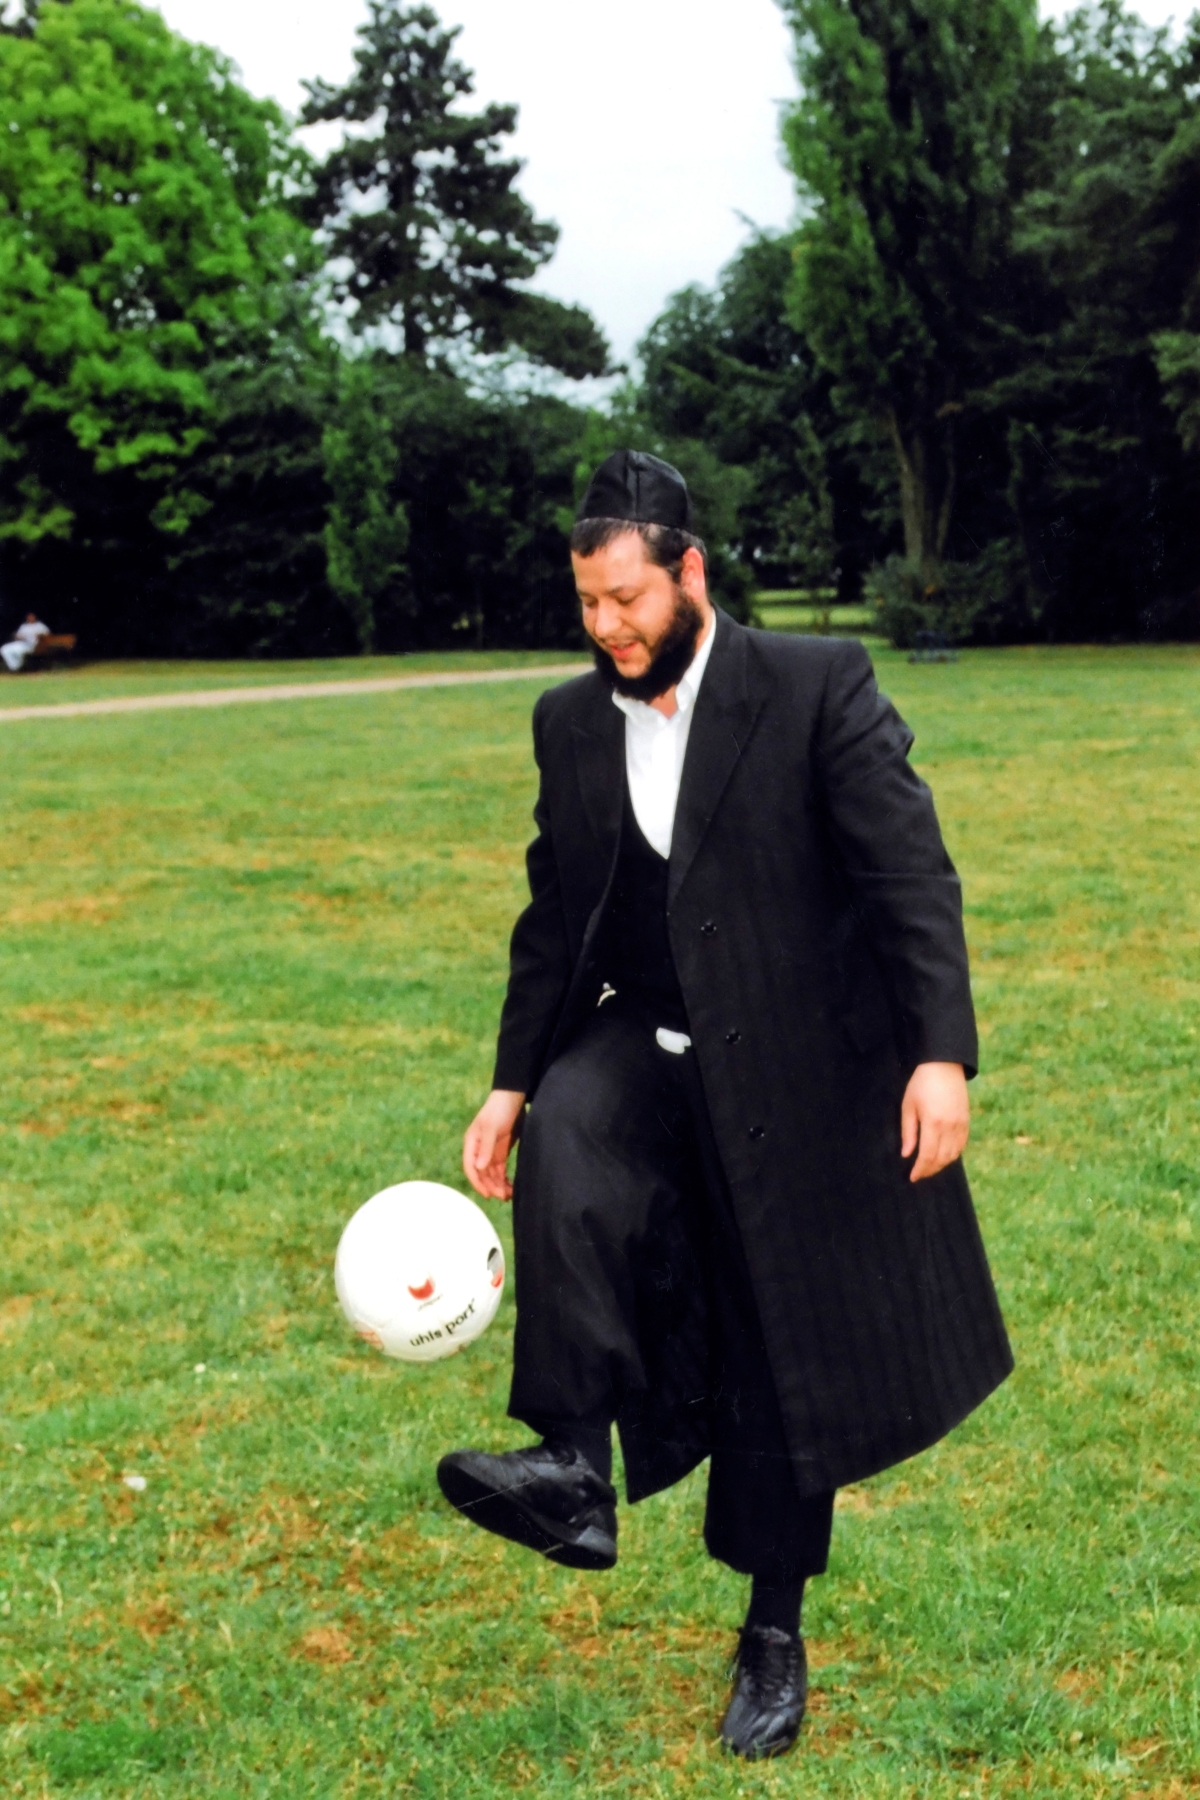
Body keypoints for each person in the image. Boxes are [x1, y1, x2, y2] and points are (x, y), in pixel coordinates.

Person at [438, 451, 1012, 1761]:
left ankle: (772, 1629)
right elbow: (554, 916)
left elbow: (910, 874)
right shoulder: (569, 721)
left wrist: (942, 1055)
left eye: (628, 599)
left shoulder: (814, 687)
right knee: (574, 1130)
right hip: (645, 1034)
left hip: (800, 1066)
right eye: (588, 604)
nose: (607, 629)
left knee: (775, 1353)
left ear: (689, 571)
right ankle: (573, 1466)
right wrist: (513, 1078)